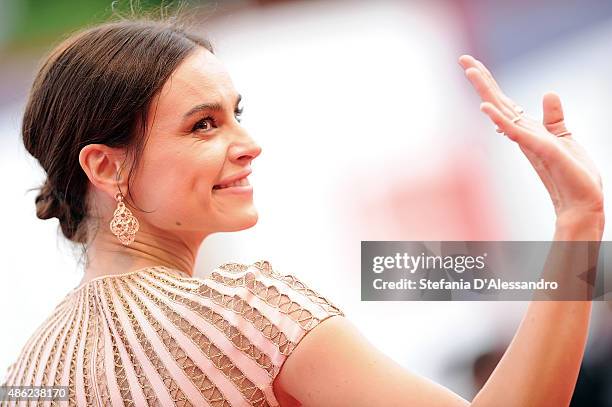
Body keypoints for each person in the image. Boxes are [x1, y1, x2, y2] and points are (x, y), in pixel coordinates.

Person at [0, 14, 604, 407]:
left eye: (238, 113)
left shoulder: (28, 374)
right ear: (106, 167)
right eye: (203, 125)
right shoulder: (244, 312)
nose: (247, 143)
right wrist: (578, 220)